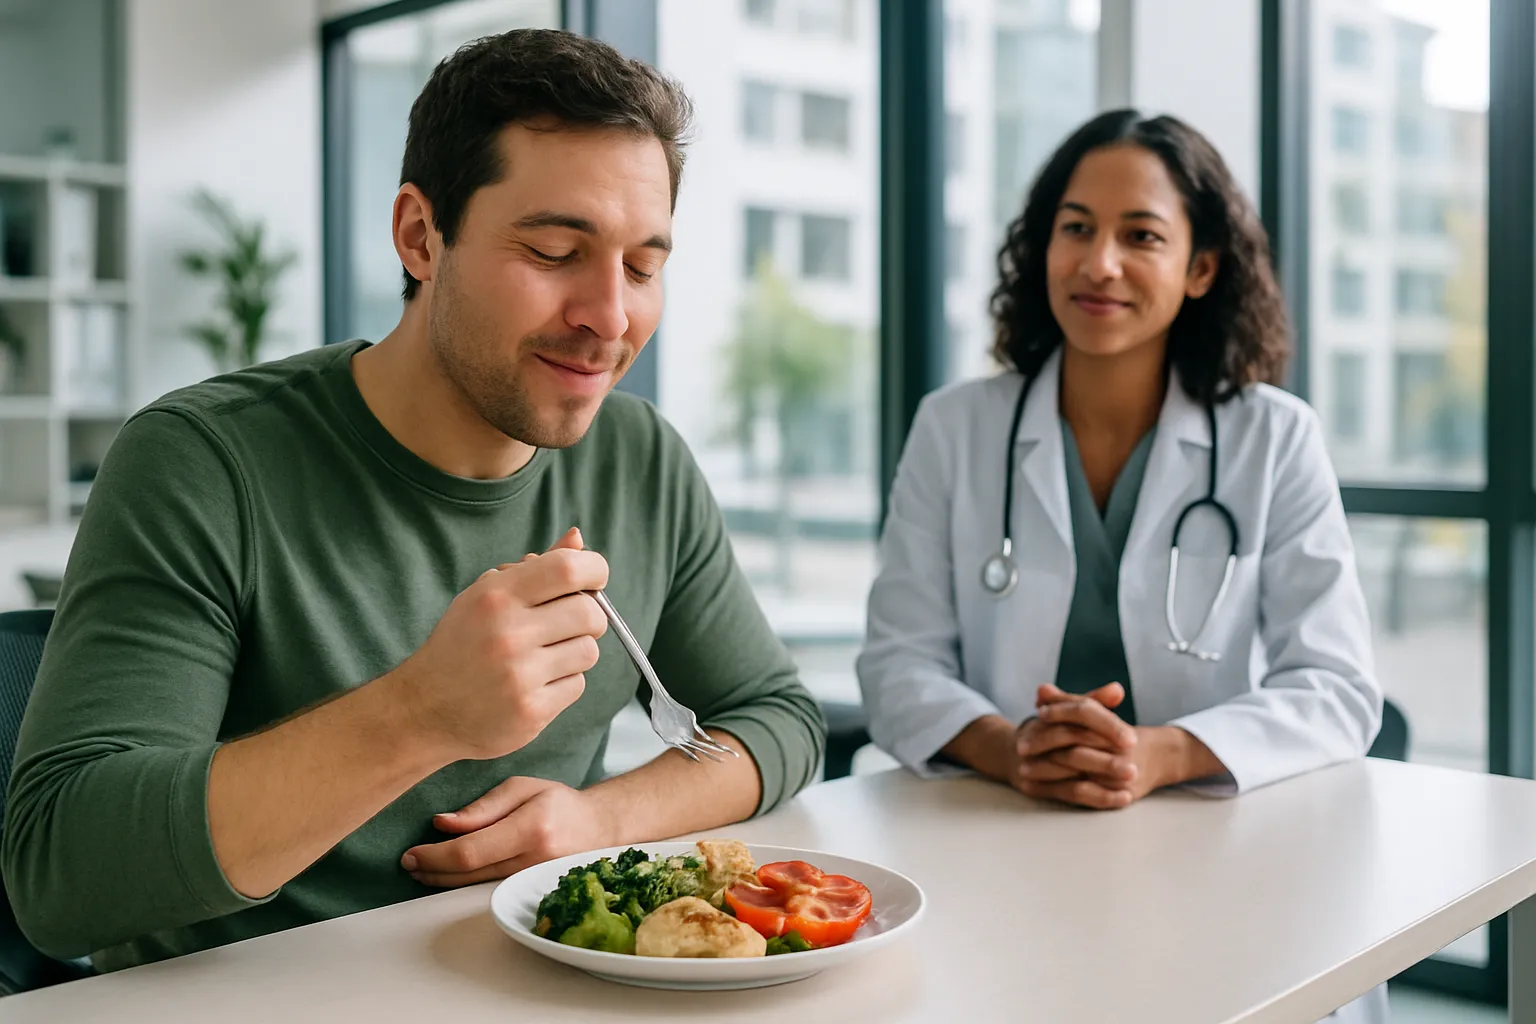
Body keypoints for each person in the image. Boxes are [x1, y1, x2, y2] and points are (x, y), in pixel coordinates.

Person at [4, 28, 824, 972]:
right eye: (557, 250)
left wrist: (596, 818)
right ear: (419, 235)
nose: (610, 315)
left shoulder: (639, 459)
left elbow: (777, 717)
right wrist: (420, 714)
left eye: (643, 267)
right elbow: (61, 877)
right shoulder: (200, 463)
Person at [856, 110, 1385, 1023]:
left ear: (1202, 267)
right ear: (1043, 248)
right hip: (1003, 836)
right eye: (1075, 228)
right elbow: (897, 663)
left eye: (1141, 235)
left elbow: (1337, 686)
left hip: (1217, 845)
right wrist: (1013, 752)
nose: (1099, 263)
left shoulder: (1273, 438)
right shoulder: (956, 427)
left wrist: (1157, 755)